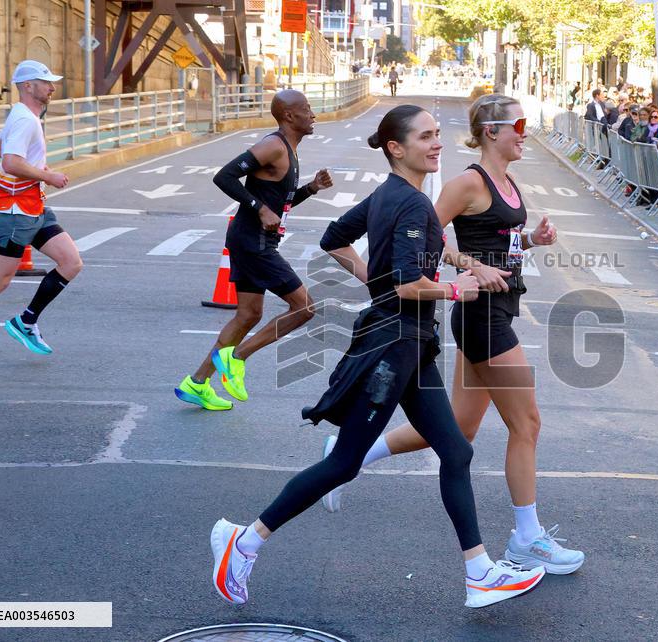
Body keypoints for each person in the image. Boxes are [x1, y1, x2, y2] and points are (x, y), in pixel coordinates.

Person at [209, 104, 545, 609]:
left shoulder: (392, 195)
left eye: (437, 135)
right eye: (426, 138)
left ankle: (479, 572)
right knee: (345, 462)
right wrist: (454, 292)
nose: (437, 145)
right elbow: (411, 284)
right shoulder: (409, 203)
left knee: (456, 451)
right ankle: (244, 538)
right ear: (396, 148)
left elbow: (333, 239)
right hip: (392, 347)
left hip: (413, 347)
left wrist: (375, 280)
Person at [318, 94, 585, 575]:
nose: (525, 133)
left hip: (500, 305)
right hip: (482, 316)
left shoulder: (507, 181)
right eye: (518, 124)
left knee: (457, 431)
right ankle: (527, 538)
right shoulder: (468, 181)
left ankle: (346, 457)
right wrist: (469, 266)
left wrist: (530, 240)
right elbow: (429, 234)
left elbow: (496, 238)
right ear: (491, 131)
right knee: (527, 425)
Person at [174, 90, 333, 410]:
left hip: (253, 241)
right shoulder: (274, 145)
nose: (313, 115)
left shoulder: (288, 150)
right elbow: (225, 176)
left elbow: (280, 203)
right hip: (254, 243)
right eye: (307, 109)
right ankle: (237, 358)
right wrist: (258, 208)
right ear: (289, 116)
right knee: (304, 309)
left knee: (249, 314)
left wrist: (311, 189)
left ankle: (197, 383)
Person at [0, 60, 82, 365]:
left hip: (33, 207)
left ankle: (26, 321)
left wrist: (35, 170)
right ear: (27, 86)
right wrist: (47, 175)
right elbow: (9, 161)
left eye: (51, 82)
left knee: (71, 262)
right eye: (45, 82)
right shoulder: (26, 120)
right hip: (13, 212)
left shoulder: (21, 115)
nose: (52, 87)